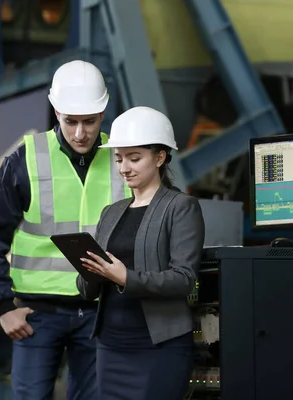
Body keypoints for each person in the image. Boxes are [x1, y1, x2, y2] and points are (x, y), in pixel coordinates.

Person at [0, 60, 131, 400]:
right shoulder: (25, 160)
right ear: (55, 110)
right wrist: (2, 307)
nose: (80, 133)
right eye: (70, 120)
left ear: (104, 111)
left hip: (100, 314)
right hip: (36, 317)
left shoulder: (122, 160)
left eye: (89, 121)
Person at [76, 106, 206, 400]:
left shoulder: (180, 207)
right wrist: (89, 270)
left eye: (134, 158)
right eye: (120, 159)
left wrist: (126, 278)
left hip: (158, 347)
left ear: (160, 157)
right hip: (110, 344)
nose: (124, 168)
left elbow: (184, 278)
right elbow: (88, 290)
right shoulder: (111, 213)